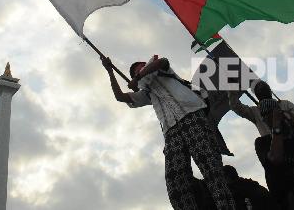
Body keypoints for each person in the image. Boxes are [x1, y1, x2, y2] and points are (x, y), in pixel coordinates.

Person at [101, 55, 236, 210]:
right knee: (175, 182)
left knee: (211, 169)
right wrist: (110, 71)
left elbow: (160, 62)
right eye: (136, 70)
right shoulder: (147, 93)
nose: (141, 69)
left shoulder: (163, 70)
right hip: (171, 132)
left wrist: (138, 76)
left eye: (142, 66)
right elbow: (120, 97)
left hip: (191, 116)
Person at [228, 80, 294, 191]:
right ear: (256, 95)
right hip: (274, 153)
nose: (261, 89)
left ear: (270, 91)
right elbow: (235, 106)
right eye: (258, 89)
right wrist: (232, 89)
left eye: (263, 87)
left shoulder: (284, 104)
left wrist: (288, 124)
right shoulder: (255, 112)